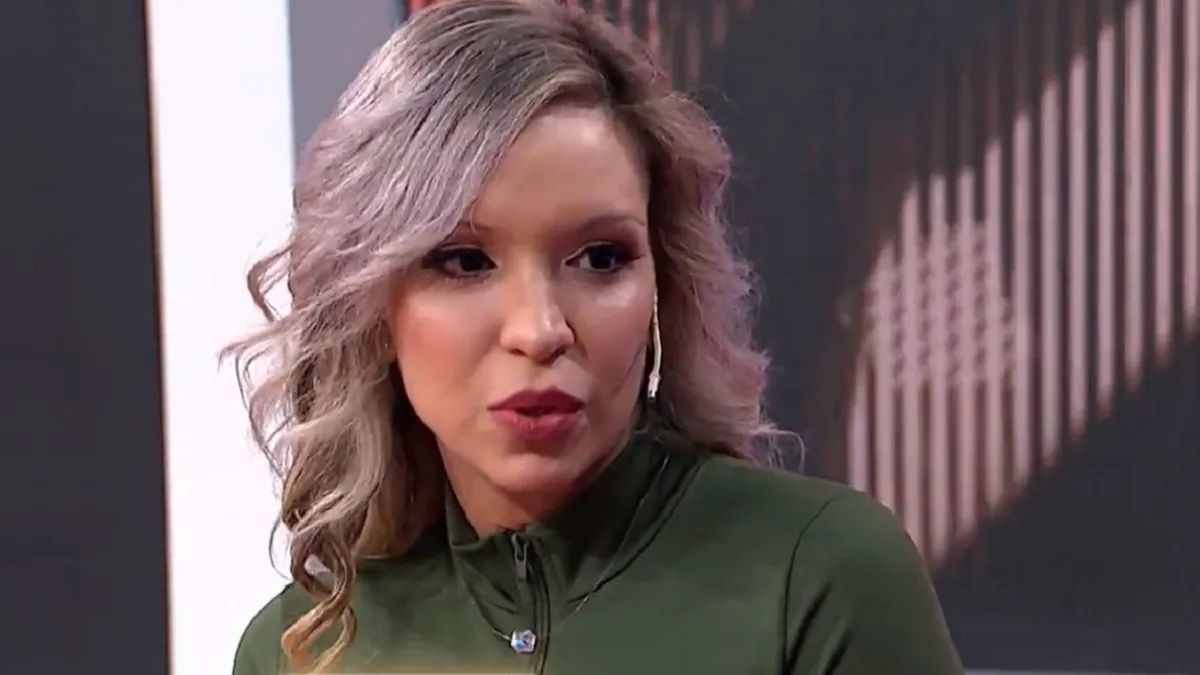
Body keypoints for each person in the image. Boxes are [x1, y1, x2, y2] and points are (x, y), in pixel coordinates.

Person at [227, 1, 963, 673]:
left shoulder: (819, 579)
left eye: (600, 258)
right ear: (372, 305)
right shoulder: (300, 646)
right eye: (465, 262)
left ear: (663, 286)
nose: (540, 330)